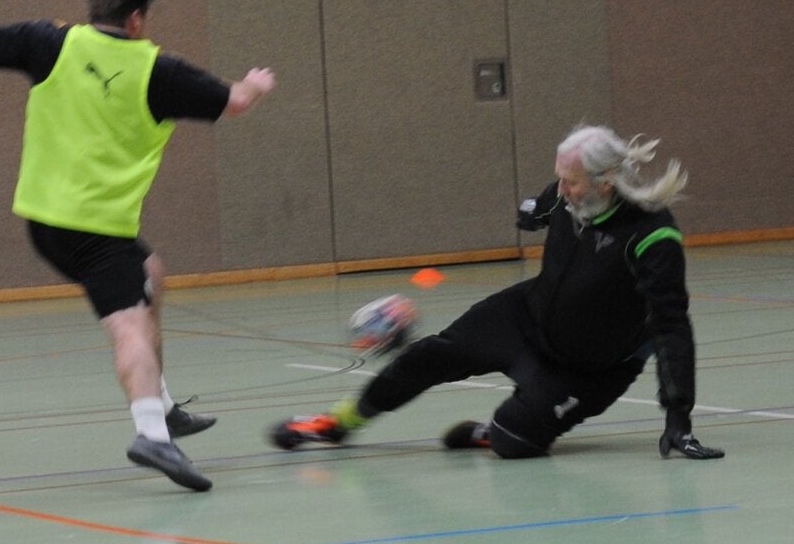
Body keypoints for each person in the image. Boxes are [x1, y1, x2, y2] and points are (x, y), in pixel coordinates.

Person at [0, 0, 276, 492]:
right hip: (96, 231)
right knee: (128, 326)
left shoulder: (50, 43)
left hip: (45, 221)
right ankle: (151, 432)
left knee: (152, 271)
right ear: (135, 18)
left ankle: (165, 405)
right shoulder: (159, 71)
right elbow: (236, 101)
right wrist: (256, 84)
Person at [271, 124, 724, 461]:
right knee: (428, 355)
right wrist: (531, 212)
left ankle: (492, 430)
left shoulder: (652, 234)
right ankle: (338, 423)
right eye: (559, 178)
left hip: (590, 367)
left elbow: (672, 327)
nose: (561, 191)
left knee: (515, 442)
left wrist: (678, 416)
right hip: (525, 317)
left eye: (571, 182)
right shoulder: (568, 194)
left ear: (606, 182)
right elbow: (541, 206)